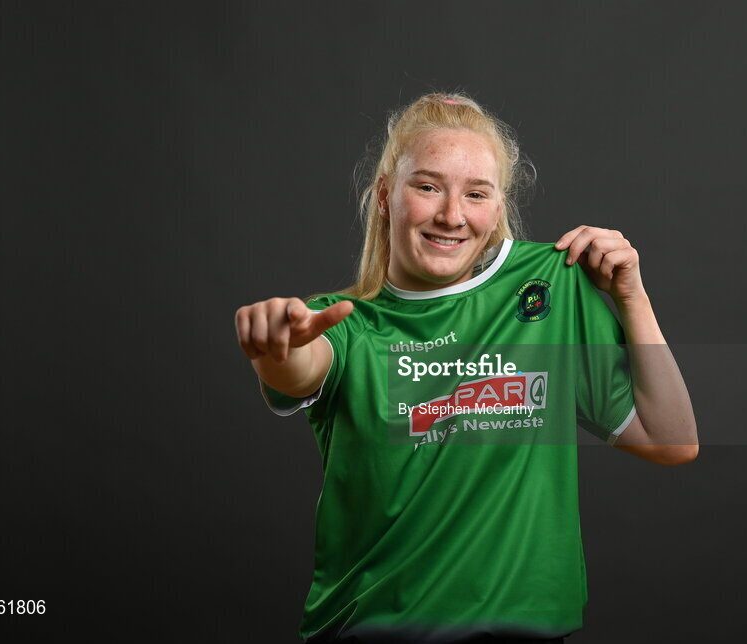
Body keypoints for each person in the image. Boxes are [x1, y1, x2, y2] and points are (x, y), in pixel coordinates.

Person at [235, 92, 698, 644]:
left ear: (498, 208)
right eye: (427, 186)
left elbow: (672, 442)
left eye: (476, 194)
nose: (452, 215)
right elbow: (299, 367)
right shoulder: (339, 324)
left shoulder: (547, 290)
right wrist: (277, 347)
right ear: (385, 196)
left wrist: (632, 297)